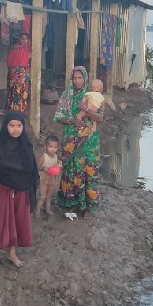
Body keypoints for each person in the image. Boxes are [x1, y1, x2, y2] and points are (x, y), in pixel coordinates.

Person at [0, 111, 38, 274]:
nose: (15, 129)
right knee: (3, 221)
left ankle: (12, 254)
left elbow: (31, 167)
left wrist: (23, 180)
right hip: (5, 188)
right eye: (11, 126)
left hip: (22, 189)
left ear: (23, 126)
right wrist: (18, 175)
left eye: (19, 125)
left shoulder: (26, 144)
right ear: (6, 126)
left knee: (17, 220)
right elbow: (2, 167)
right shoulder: (2, 144)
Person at [53, 66, 104, 217]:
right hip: (71, 140)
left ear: (85, 78)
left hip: (89, 141)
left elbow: (100, 117)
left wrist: (86, 110)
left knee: (89, 171)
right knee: (73, 170)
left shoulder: (92, 95)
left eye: (80, 78)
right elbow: (58, 116)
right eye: (74, 78)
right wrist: (72, 121)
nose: (77, 81)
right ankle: (74, 203)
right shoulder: (66, 95)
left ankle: (89, 206)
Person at [5, 32, 32, 113]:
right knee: (13, 92)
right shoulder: (14, 48)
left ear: (28, 40)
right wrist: (14, 72)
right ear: (19, 39)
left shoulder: (30, 50)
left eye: (26, 39)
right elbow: (9, 61)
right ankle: (12, 111)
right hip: (13, 74)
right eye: (22, 38)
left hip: (23, 75)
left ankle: (21, 111)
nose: (24, 40)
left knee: (23, 93)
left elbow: (30, 63)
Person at [35, 135, 60, 217]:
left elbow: (56, 165)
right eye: (50, 147)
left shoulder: (56, 157)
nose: (53, 149)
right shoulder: (44, 156)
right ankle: (37, 210)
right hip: (44, 180)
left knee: (49, 196)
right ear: (45, 146)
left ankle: (48, 209)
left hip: (52, 179)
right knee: (42, 196)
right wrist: (44, 168)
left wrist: (59, 165)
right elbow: (37, 166)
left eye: (55, 147)